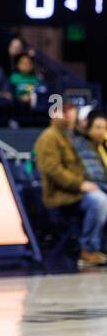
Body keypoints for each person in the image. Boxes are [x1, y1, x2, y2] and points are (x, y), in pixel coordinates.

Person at [35, 99, 106, 267]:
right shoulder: (49, 137)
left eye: (71, 113)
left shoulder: (72, 137)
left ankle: (100, 246)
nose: (68, 117)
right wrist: (79, 184)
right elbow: (53, 170)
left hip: (78, 191)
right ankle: (88, 249)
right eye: (64, 113)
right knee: (100, 201)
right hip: (62, 195)